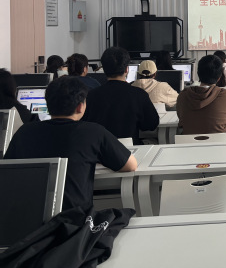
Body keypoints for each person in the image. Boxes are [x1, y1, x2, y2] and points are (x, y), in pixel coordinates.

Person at [4, 76, 137, 211]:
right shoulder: (93, 132)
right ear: (80, 107)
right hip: (75, 218)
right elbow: (130, 165)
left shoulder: (24, 132)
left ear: (48, 105)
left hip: (29, 216)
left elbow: (7, 173)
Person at [83, 47, 159, 145]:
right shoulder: (139, 94)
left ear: (104, 69)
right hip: (131, 149)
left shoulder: (91, 96)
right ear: (127, 69)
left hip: (100, 150)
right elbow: (151, 124)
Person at [176, 55, 226, 134]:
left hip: (188, 141)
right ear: (219, 77)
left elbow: (181, 118)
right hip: (219, 141)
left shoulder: (183, 95)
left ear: (198, 73)